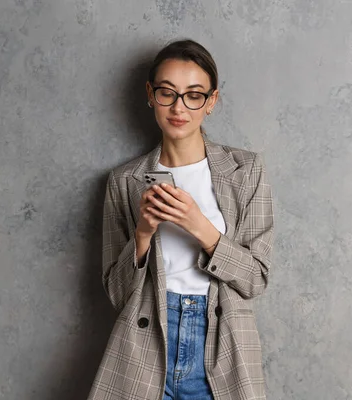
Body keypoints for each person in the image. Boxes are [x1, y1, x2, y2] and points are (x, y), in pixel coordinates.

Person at [87, 38, 275, 400]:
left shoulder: (245, 170)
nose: (178, 107)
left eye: (193, 95)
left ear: (211, 102)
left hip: (220, 345)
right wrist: (143, 233)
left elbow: (256, 279)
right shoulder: (124, 181)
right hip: (145, 345)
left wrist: (199, 226)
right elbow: (117, 293)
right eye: (167, 92)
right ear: (150, 94)